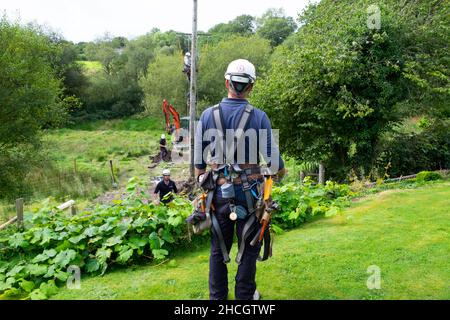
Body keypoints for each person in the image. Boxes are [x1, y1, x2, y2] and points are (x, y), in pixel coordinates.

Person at [194, 59, 286, 300]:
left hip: (217, 196)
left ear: (227, 82)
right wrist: (274, 173)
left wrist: (210, 178)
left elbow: (198, 166)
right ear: (251, 87)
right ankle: (245, 297)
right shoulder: (259, 118)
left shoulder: (206, 116)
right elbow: (276, 165)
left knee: (218, 250)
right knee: (249, 248)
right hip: (250, 197)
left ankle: (218, 300)